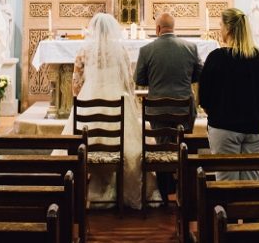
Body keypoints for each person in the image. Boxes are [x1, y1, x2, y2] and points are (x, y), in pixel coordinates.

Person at [68, 12, 156, 209]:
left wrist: (82, 95)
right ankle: (121, 190)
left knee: (83, 143)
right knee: (127, 148)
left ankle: (79, 190)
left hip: (88, 100)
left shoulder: (84, 50)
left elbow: (76, 82)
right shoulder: (120, 49)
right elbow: (128, 80)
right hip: (118, 99)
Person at [198, 7, 259, 181]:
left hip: (224, 126)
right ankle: (247, 208)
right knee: (250, 181)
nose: (219, 29)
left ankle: (226, 209)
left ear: (228, 29)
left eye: (221, 25)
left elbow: (205, 96)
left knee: (226, 180)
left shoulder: (216, 57)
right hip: (254, 128)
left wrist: (216, 114)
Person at [134, 12, 202, 198]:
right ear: (174, 27)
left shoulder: (146, 50)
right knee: (183, 143)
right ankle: (185, 188)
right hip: (185, 108)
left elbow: (139, 79)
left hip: (158, 109)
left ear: (157, 29)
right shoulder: (190, 47)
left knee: (162, 147)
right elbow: (198, 75)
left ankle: (166, 190)